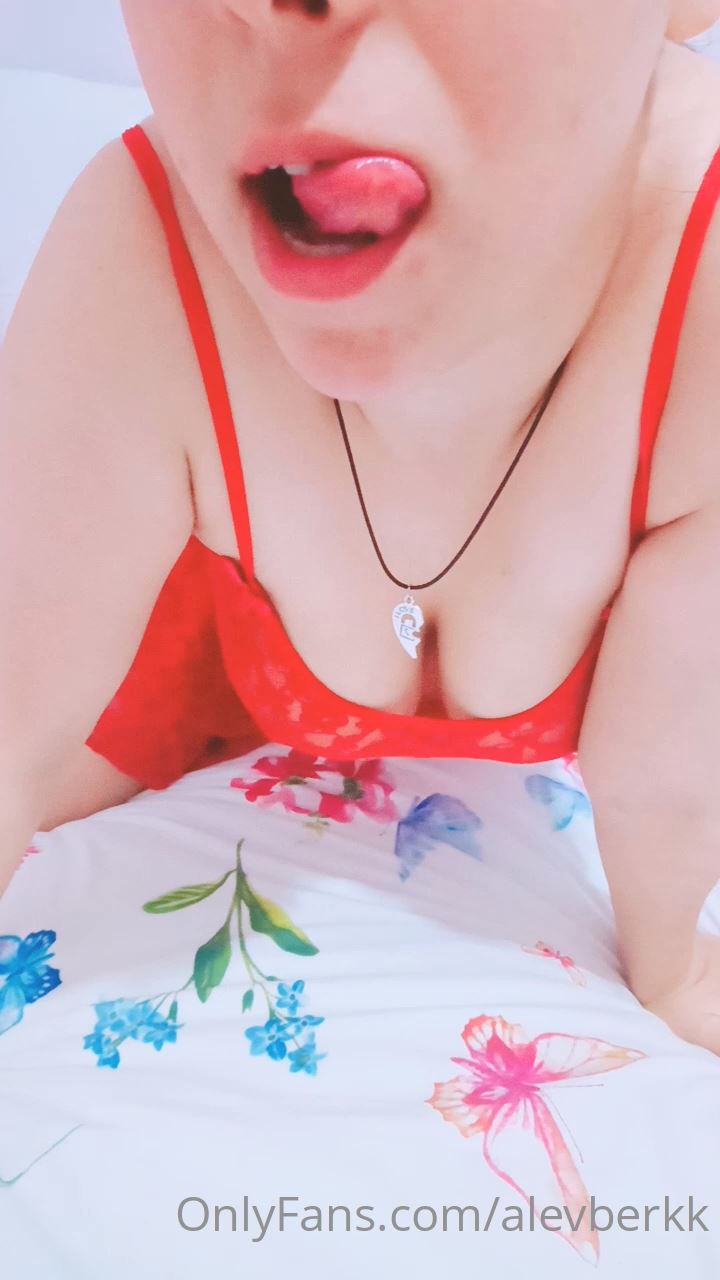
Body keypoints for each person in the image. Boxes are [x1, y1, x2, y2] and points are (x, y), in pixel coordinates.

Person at [2, 0, 720, 1062]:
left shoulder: (701, 293)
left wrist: (671, 969)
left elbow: (665, 775)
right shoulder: (139, 252)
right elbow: (13, 728)